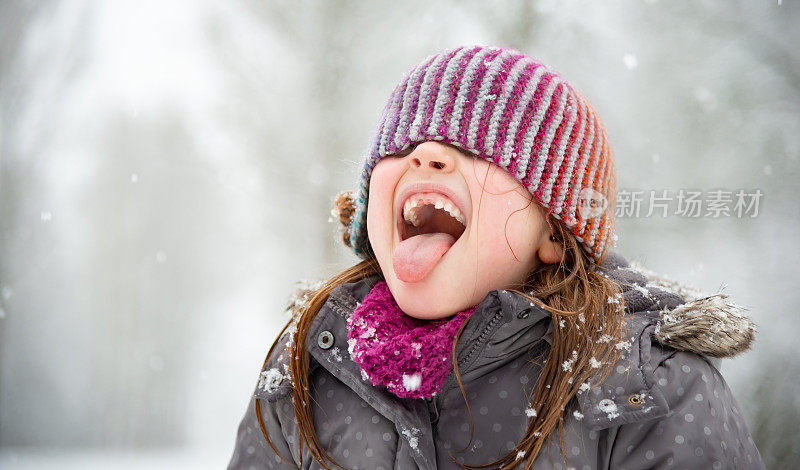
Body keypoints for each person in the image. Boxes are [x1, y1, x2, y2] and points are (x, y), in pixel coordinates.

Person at [227, 45, 765, 469]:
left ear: (554, 231)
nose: (425, 154)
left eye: (477, 149)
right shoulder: (311, 367)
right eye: (400, 147)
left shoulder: (647, 383)